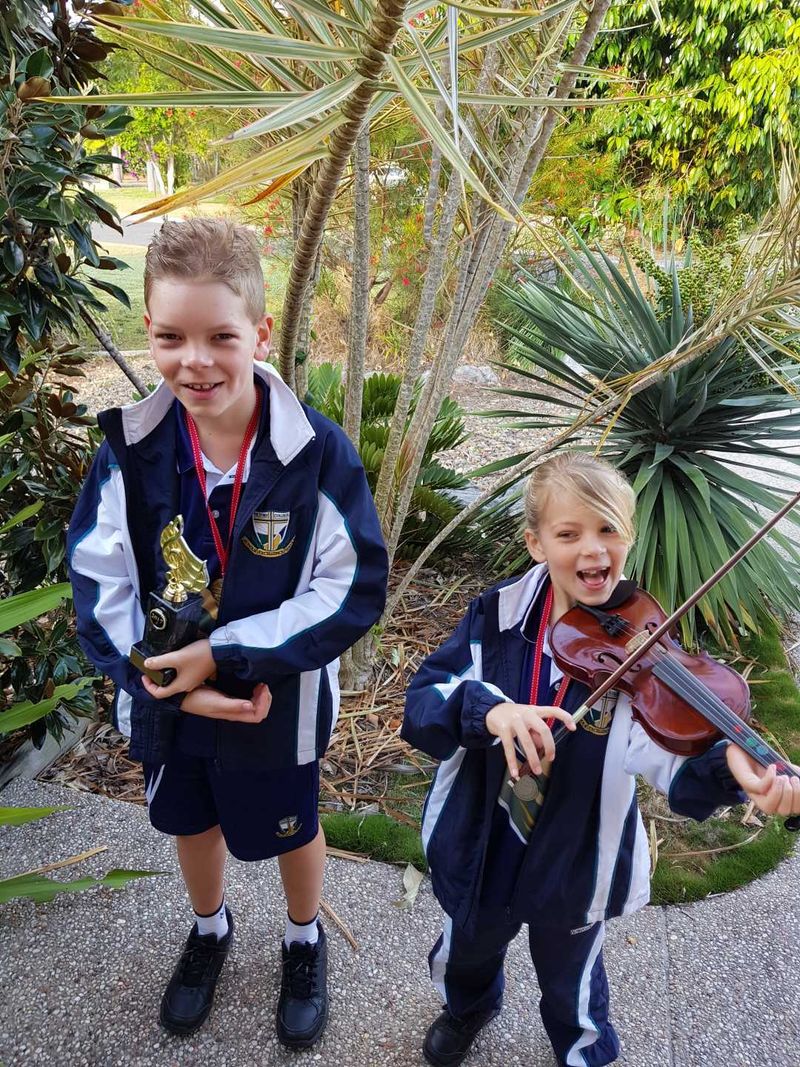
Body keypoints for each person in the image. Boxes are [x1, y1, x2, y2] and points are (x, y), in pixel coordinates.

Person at [67, 218, 388, 1045]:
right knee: (190, 820)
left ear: (262, 331)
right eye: (171, 337)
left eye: (220, 336)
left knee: (292, 823)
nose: (194, 361)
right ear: (150, 331)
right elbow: (99, 578)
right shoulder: (131, 454)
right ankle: (209, 928)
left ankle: (302, 933)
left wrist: (224, 655)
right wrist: (161, 674)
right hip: (170, 695)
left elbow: (350, 586)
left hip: (275, 699)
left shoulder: (315, 454)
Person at [401, 451, 800, 1067]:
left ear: (630, 535)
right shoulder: (496, 618)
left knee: (572, 978)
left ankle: (584, 1050)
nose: (593, 550)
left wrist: (732, 769)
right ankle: (468, 1006)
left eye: (609, 529)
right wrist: (492, 712)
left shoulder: (645, 652)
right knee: (468, 945)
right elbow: (425, 701)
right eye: (569, 534)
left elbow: (674, 760)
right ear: (536, 544)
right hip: (481, 837)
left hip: (575, 851)